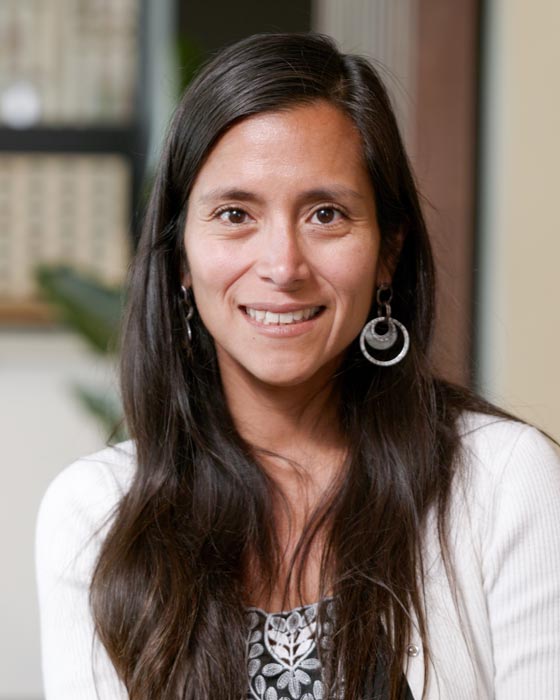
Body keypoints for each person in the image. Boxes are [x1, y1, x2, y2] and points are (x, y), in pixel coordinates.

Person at [35, 32, 560, 700]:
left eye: (325, 214)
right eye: (235, 214)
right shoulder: (98, 514)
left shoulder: (506, 483)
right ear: (180, 261)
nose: (283, 266)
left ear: (388, 253)